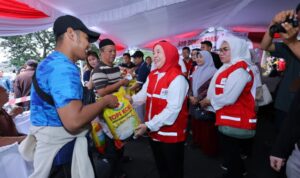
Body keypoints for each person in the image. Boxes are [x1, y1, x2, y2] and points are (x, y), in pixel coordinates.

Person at [18, 15, 118, 178]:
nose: (88, 45)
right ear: (71, 34)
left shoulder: (48, 62)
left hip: (51, 153)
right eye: (86, 38)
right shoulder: (63, 67)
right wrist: (105, 101)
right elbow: (74, 121)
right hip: (63, 155)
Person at [200, 35, 257, 178]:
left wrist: (209, 101)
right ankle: (237, 171)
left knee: (231, 151)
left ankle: (236, 173)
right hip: (228, 117)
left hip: (235, 119)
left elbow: (229, 97)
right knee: (230, 152)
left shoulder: (240, 70)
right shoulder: (228, 67)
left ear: (236, 50)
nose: (221, 52)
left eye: (225, 49)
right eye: (220, 49)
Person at [132, 41, 189, 178]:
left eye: (159, 52)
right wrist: (130, 101)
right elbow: (143, 95)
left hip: (171, 135)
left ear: (169, 54)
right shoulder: (153, 75)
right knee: (161, 167)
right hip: (154, 132)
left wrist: (148, 125)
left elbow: (172, 110)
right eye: (154, 52)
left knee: (173, 170)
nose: (155, 56)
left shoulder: (178, 78)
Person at [91, 38, 130, 178]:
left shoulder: (114, 66)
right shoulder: (97, 70)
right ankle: (114, 172)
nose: (113, 53)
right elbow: (102, 91)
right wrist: (121, 82)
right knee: (111, 146)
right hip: (107, 114)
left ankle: (119, 164)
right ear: (101, 52)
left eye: (115, 51)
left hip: (118, 111)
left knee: (120, 138)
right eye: (110, 51)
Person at [260, 5, 300, 131]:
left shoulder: (292, 43)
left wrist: (292, 42)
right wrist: (273, 23)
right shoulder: (291, 43)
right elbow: (265, 45)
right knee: (281, 145)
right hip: (285, 103)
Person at [188, 51, 218, 156]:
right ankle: (198, 142)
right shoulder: (196, 70)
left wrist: (198, 98)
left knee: (206, 127)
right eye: (197, 57)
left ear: (208, 58)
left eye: (201, 57)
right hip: (194, 101)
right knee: (196, 124)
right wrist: (191, 96)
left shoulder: (214, 72)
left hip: (205, 103)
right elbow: (190, 85)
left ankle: (208, 148)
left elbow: (210, 88)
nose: (198, 59)